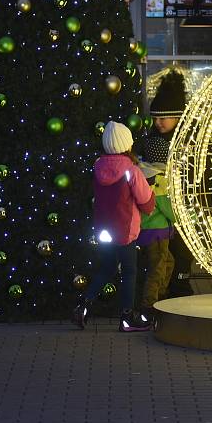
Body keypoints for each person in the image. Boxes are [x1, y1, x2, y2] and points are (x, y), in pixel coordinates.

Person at [73, 121, 154, 332]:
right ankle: (127, 317)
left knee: (107, 268)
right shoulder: (131, 171)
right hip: (125, 231)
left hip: (104, 231)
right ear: (127, 144)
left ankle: (83, 305)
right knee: (129, 272)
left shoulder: (98, 167)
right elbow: (146, 201)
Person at [143, 71, 194, 298]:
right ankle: (175, 293)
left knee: (180, 255)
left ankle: (178, 289)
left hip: (181, 207)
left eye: (163, 118)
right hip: (165, 211)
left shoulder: (190, 140)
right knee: (172, 255)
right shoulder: (155, 143)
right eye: (155, 118)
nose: (158, 123)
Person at [137, 161, 176, 316]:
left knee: (167, 262)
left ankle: (159, 298)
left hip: (147, 230)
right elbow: (169, 209)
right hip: (158, 232)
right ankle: (150, 306)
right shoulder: (159, 180)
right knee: (157, 269)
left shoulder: (144, 174)